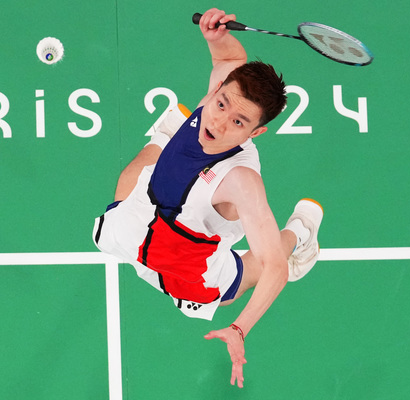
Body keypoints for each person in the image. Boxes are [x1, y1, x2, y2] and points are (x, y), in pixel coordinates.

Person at [93, 7, 323, 388]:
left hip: (191, 264)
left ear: (256, 132)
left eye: (238, 122)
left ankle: (301, 235)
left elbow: (273, 268)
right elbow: (231, 59)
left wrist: (239, 328)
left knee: (247, 274)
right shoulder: (216, 100)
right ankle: (168, 132)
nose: (218, 122)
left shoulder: (241, 181)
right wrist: (215, 36)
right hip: (142, 223)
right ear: (217, 92)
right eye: (220, 105)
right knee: (127, 184)